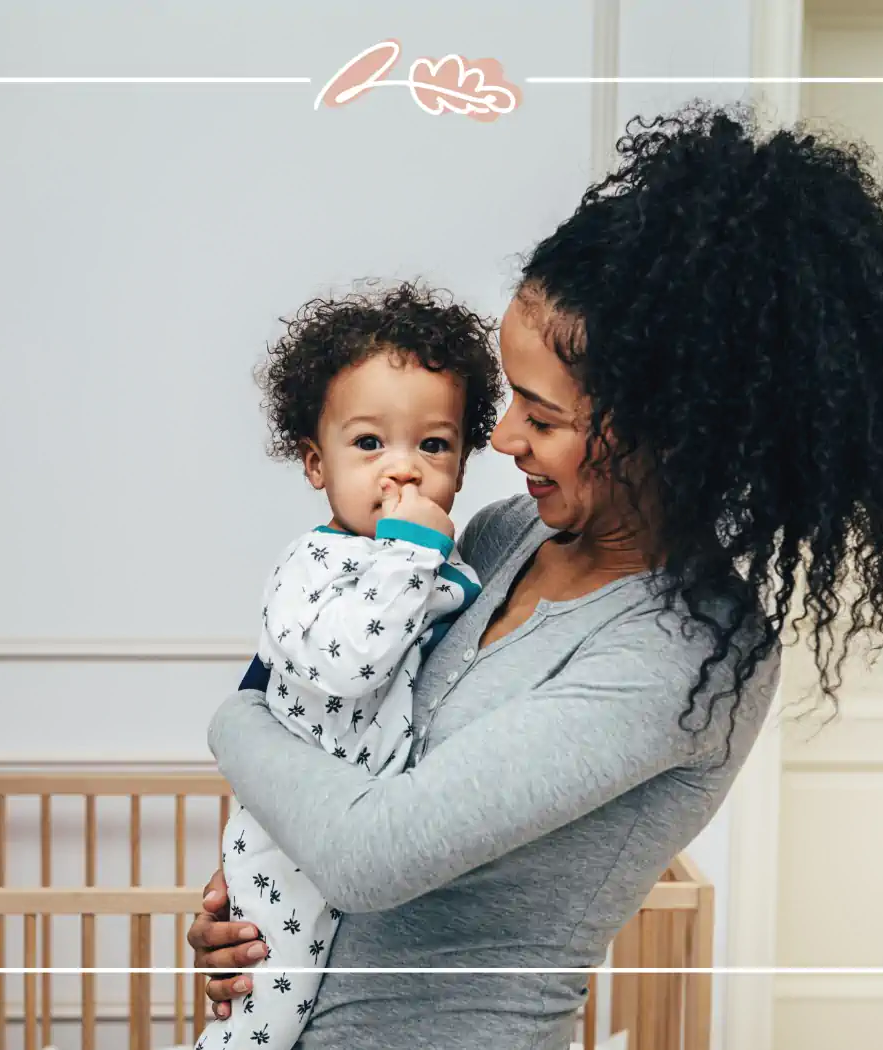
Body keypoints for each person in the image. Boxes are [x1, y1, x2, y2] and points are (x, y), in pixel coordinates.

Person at [190, 102, 883, 1050]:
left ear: (669, 432)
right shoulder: (504, 531)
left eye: (541, 415)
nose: (501, 437)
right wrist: (256, 914)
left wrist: (236, 717)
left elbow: (369, 853)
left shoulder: (688, 658)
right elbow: (347, 755)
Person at [191, 283, 501, 1050]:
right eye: (369, 444)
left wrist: (423, 557)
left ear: (462, 467)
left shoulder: (445, 567)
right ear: (314, 463)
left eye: (433, 445)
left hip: (366, 839)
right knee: (263, 1021)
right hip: (290, 839)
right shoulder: (312, 565)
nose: (404, 472)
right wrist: (411, 547)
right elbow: (354, 663)